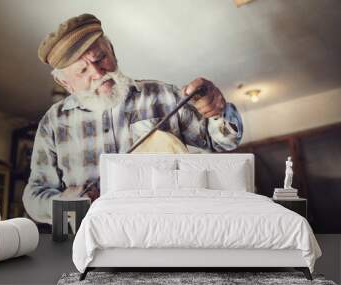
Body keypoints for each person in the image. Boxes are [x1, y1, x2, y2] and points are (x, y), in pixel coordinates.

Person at [23, 14, 244, 224]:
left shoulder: (163, 95)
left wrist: (217, 111)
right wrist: (67, 203)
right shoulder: (53, 123)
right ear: (66, 84)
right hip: (90, 243)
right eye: (82, 70)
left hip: (166, 229)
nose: (98, 73)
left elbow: (221, 142)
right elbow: (35, 195)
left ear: (112, 51)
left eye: (101, 58)